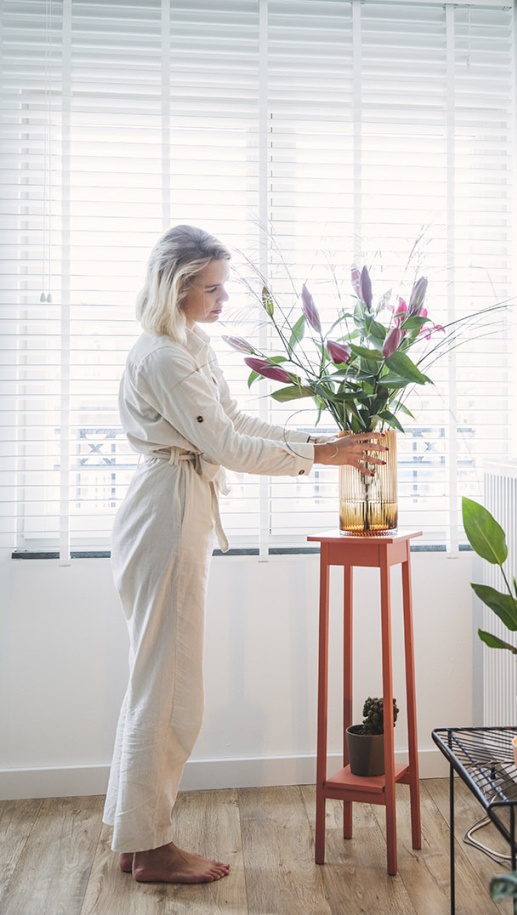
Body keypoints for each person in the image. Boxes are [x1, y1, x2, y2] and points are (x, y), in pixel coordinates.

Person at [102, 225, 385, 884]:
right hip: (167, 514)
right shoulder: (166, 358)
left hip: (173, 507)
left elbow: (237, 424)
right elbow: (228, 446)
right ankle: (154, 847)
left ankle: (134, 832)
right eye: (212, 287)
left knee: (155, 680)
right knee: (172, 692)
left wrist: (319, 441)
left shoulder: (187, 346)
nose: (223, 299)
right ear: (179, 286)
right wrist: (320, 455)